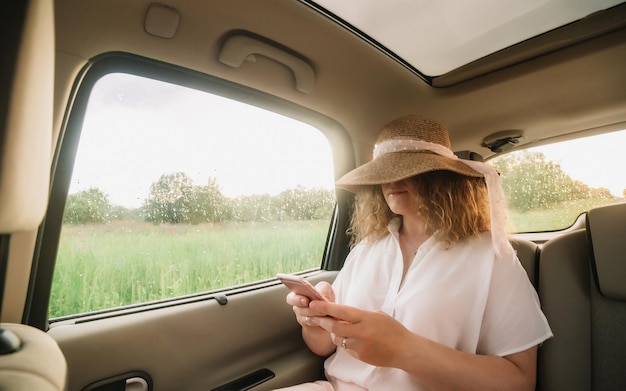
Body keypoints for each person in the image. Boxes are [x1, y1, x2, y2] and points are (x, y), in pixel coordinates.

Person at [277, 115, 553, 391]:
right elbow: (323, 345)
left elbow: (520, 381)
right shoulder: (365, 249)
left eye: (410, 168)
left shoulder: (491, 257)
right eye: (384, 170)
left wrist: (406, 351)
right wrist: (313, 322)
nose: (392, 179)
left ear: (443, 177)